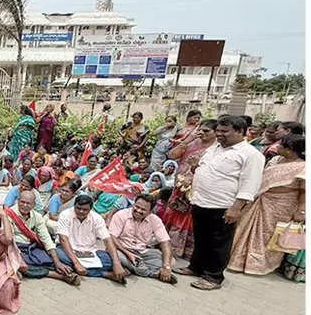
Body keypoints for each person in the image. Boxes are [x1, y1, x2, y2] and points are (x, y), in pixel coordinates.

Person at [175, 115, 264, 291]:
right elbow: (203, 169)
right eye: (218, 131)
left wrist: (236, 208)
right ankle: (196, 267)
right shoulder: (215, 148)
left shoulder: (250, 154)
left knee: (219, 243)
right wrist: (194, 168)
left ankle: (213, 277)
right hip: (200, 201)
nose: (220, 134)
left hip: (223, 206)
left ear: (240, 132)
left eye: (225, 131)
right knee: (201, 238)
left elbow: (250, 184)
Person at [228, 133, 305, 276]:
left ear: (290, 149)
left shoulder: (303, 167)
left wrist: (302, 211)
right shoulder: (276, 160)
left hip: (281, 206)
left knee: (268, 235)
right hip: (260, 200)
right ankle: (238, 261)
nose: (277, 147)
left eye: (281, 145)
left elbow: (305, 191)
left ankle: (259, 265)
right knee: (245, 228)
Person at [162, 119, 219, 259]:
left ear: (216, 133)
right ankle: (165, 243)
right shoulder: (192, 143)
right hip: (180, 185)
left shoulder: (216, 149)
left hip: (198, 188)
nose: (202, 133)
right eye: (200, 130)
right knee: (174, 213)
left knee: (190, 218)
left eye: (206, 131)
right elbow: (172, 155)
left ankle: (185, 249)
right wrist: (185, 142)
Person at [5, 190, 79, 286]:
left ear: (34, 205)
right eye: (22, 202)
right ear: (18, 201)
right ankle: (59, 276)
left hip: (31, 247)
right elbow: (9, 240)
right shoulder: (8, 214)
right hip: (14, 247)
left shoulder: (37, 216)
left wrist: (57, 262)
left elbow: (46, 238)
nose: (25, 205)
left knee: (51, 260)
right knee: (23, 265)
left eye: (28, 203)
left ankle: (60, 271)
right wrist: (18, 257)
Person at [55, 195, 128, 284]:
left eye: (85, 210)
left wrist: (117, 263)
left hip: (89, 251)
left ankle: (80, 270)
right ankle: (105, 274)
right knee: (59, 256)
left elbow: (108, 240)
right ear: (74, 206)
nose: (81, 211)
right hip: (68, 250)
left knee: (112, 261)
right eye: (78, 208)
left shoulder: (97, 218)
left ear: (90, 209)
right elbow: (63, 240)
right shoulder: (65, 215)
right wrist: (76, 263)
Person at [109, 194, 177, 284]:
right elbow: (112, 237)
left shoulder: (155, 220)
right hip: (122, 250)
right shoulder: (121, 215)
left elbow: (165, 242)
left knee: (171, 261)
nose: (138, 210)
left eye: (143, 210)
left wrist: (166, 266)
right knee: (114, 255)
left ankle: (131, 268)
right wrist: (128, 254)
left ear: (150, 211)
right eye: (136, 207)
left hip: (142, 253)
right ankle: (153, 273)